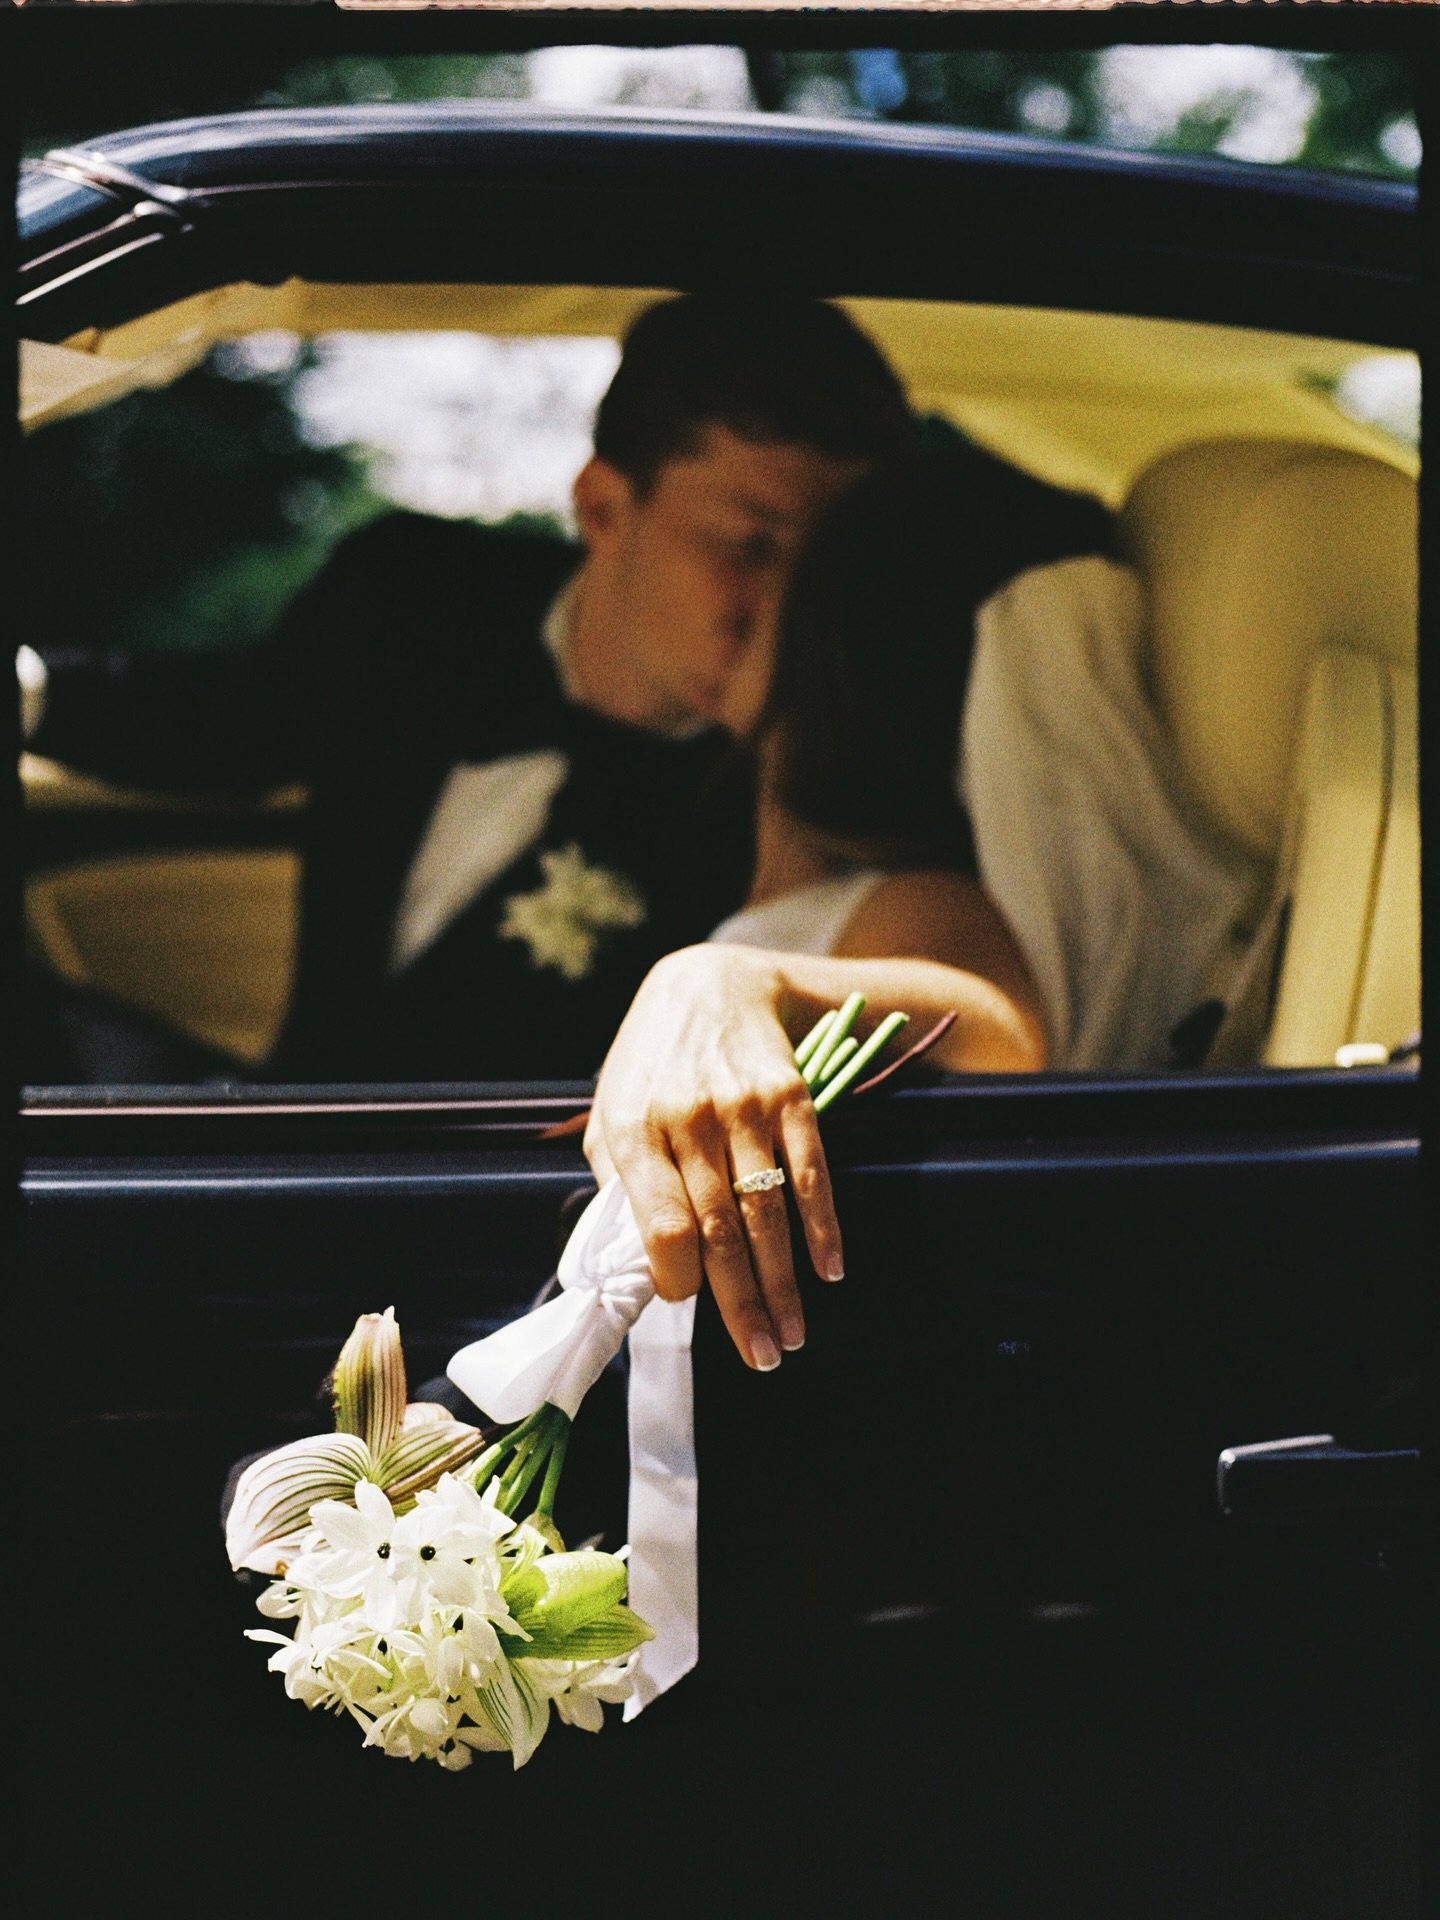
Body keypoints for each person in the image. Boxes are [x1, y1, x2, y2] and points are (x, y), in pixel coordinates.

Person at [20, 294, 916, 1082]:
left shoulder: (818, 785)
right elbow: (233, 723)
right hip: (288, 1110)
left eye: (829, 562)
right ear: (604, 508)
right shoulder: (413, 594)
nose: (793, 608)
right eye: (750, 545)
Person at [581, 440, 1115, 1375]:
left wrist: (723, 984)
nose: (741, 603)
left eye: (784, 567)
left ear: (848, 641)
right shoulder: (692, 833)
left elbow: (997, 1026)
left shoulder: (914, 903)